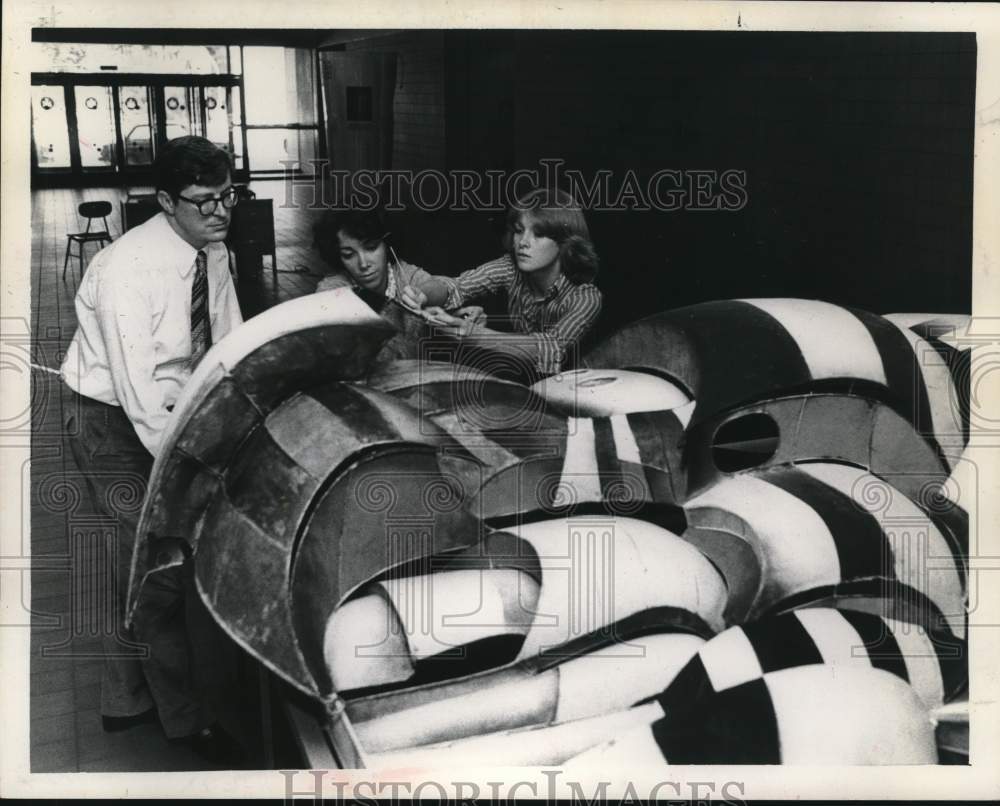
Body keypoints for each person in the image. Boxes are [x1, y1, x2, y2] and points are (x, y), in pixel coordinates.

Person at [59, 135, 244, 764]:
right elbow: (139, 399)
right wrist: (200, 459)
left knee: (134, 562)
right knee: (154, 563)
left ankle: (124, 698)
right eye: (203, 201)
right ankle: (184, 718)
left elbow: (229, 347)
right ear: (165, 201)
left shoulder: (212, 251)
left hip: (171, 405)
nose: (220, 212)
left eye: (229, 196)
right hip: (109, 420)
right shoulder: (125, 270)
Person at [400, 187, 603, 378]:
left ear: (566, 243)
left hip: (581, 389)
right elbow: (456, 286)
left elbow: (551, 348)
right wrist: (423, 293)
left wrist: (472, 334)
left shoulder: (586, 296)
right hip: (528, 382)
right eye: (518, 230)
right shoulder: (509, 268)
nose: (523, 242)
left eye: (538, 234)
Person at [313, 207, 435, 301]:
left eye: (371, 248)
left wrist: (424, 295)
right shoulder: (334, 286)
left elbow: (445, 287)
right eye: (348, 255)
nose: (363, 264)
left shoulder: (404, 275)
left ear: (387, 244)